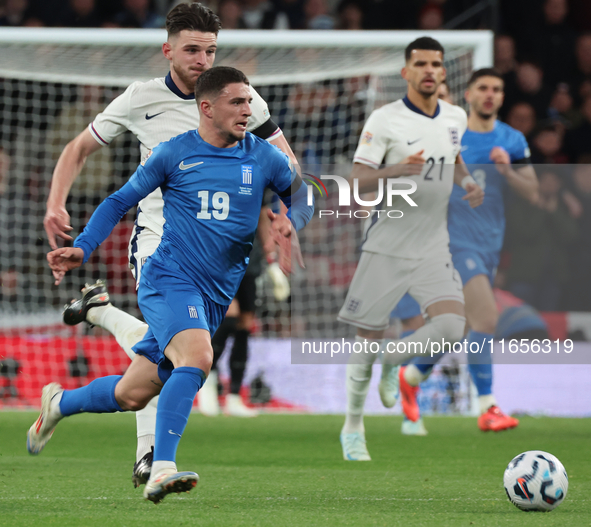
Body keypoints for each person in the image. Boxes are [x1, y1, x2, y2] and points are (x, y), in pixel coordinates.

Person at [29, 66, 313, 504]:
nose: (248, 109)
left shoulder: (263, 156)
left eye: (249, 101)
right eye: (237, 102)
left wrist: (292, 222)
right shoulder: (172, 153)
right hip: (168, 277)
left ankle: (58, 405)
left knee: (132, 393)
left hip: (215, 293)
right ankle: (162, 467)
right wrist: (83, 248)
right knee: (198, 356)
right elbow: (119, 201)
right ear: (207, 107)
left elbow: (304, 192)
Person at [337, 37, 484, 461]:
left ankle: (391, 361)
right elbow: (358, 178)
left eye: (436, 64)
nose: (429, 70)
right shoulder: (385, 120)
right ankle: (352, 428)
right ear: (406, 73)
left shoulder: (456, 116)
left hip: (433, 246)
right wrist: (400, 169)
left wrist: (468, 182)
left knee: (453, 328)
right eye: (420, 64)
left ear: (443, 72)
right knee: (366, 337)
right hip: (387, 244)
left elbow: (452, 158)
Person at [393, 68, 538, 435]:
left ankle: (410, 377)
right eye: (483, 88)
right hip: (453, 242)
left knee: (460, 328)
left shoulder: (512, 139)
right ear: (469, 94)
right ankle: (487, 406)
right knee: (487, 317)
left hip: (489, 244)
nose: (489, 95)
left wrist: (508, 172)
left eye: (496, 89)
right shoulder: (450, 135)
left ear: (502, 97)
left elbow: (533, 192)